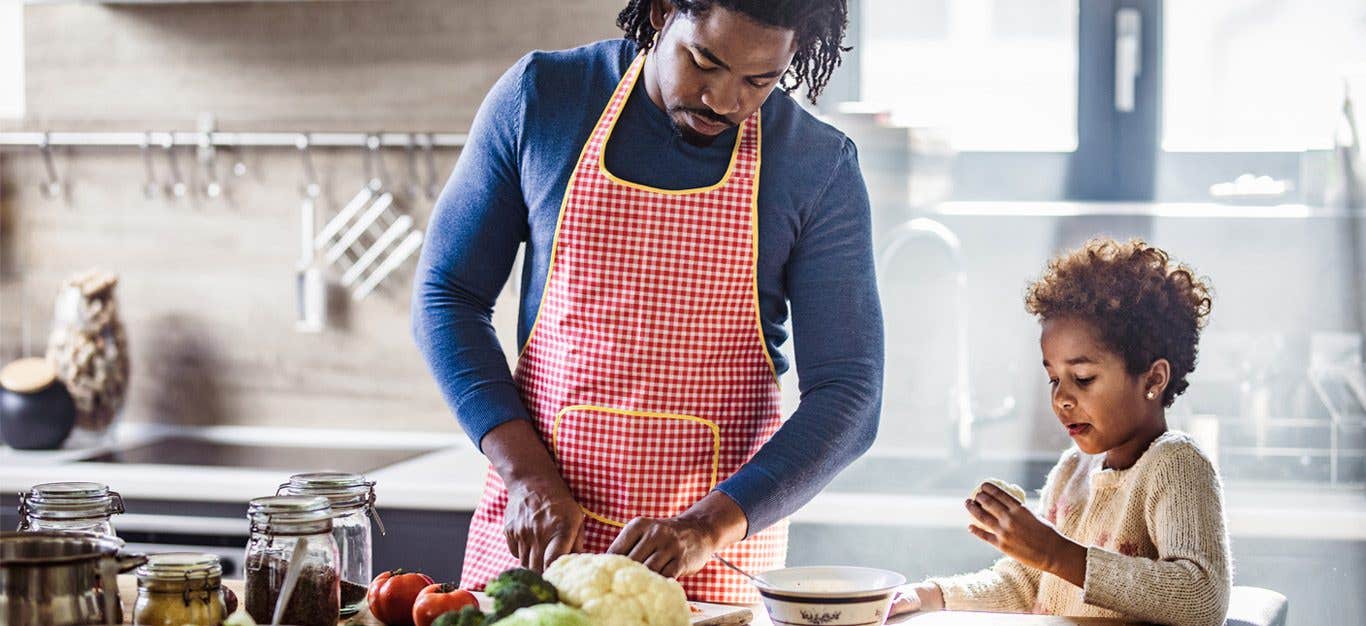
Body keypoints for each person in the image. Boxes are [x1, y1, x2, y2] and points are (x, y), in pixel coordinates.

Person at [411, 0, 882, 604]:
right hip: (536, 547)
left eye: (758, 80)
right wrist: (525, 474)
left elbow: (850, 394)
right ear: (663, 10)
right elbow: (445, 296)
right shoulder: (544, 100)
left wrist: (702, 529)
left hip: (707, 570)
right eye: (703, 61)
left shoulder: (817, 166)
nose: (723, 99)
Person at [893, 238, 1231, 626]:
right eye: (1053, 378)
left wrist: (1056, 553)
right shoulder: (1073, 471)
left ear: (1153, 379)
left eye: (1083, 378)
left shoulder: (1175, 465)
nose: (1061, 398)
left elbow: (1201, 597)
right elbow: (1025, 585)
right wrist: (930, 596)